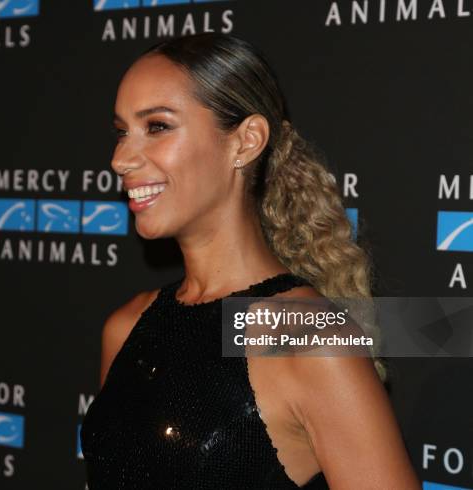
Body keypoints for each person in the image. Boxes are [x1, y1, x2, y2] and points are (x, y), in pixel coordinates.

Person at [80, 32, 421, 489]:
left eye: (157, 126)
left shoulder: (304, 335)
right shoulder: (126, 326)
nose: (120, 158)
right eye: (122, 131)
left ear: (246, 141)